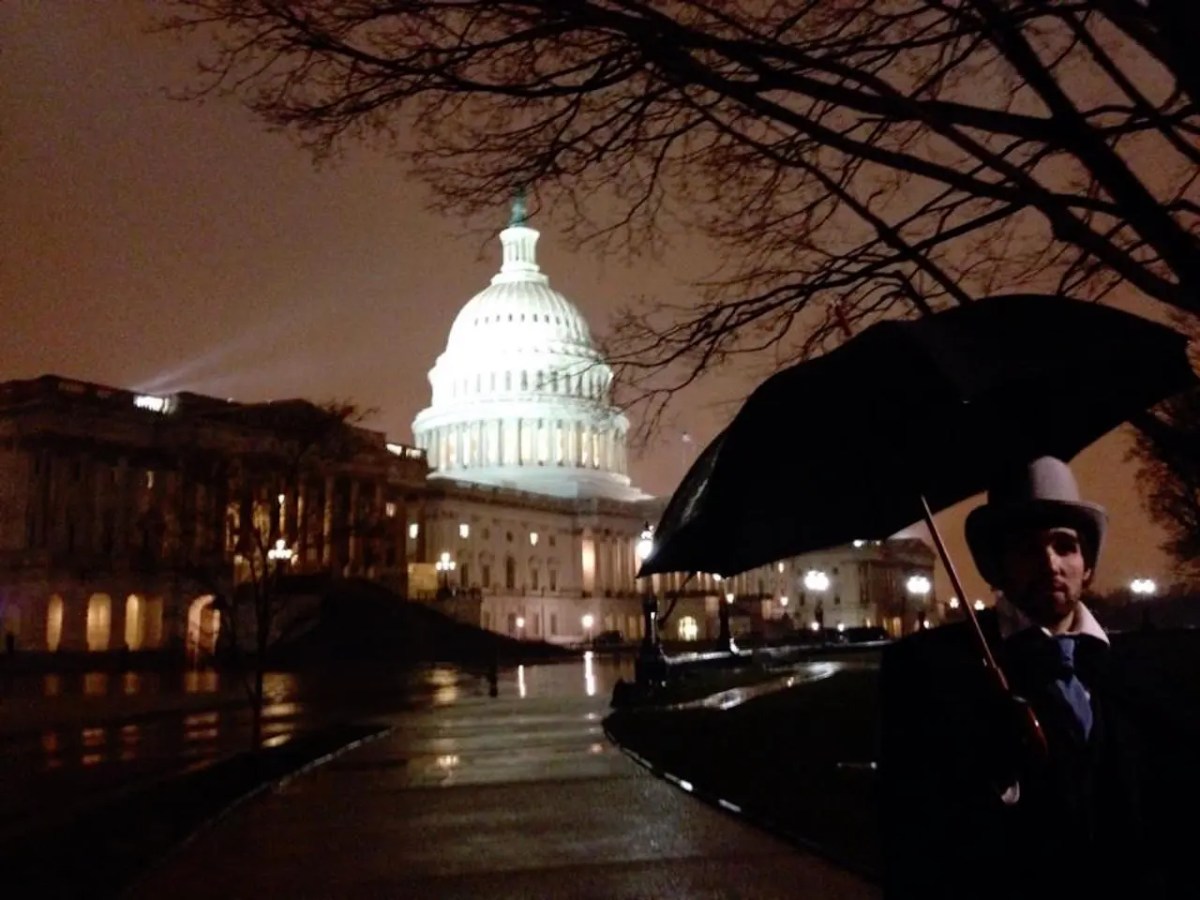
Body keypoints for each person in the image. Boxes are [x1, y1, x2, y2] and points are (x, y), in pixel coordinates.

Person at [879, 455, 1194, 899]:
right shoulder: (931, 672)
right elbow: (913, 837)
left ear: (1087, 564)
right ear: (997, 567)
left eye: (1064, 545)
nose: (1050, 563)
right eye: (1028, 548)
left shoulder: (1140, 674)